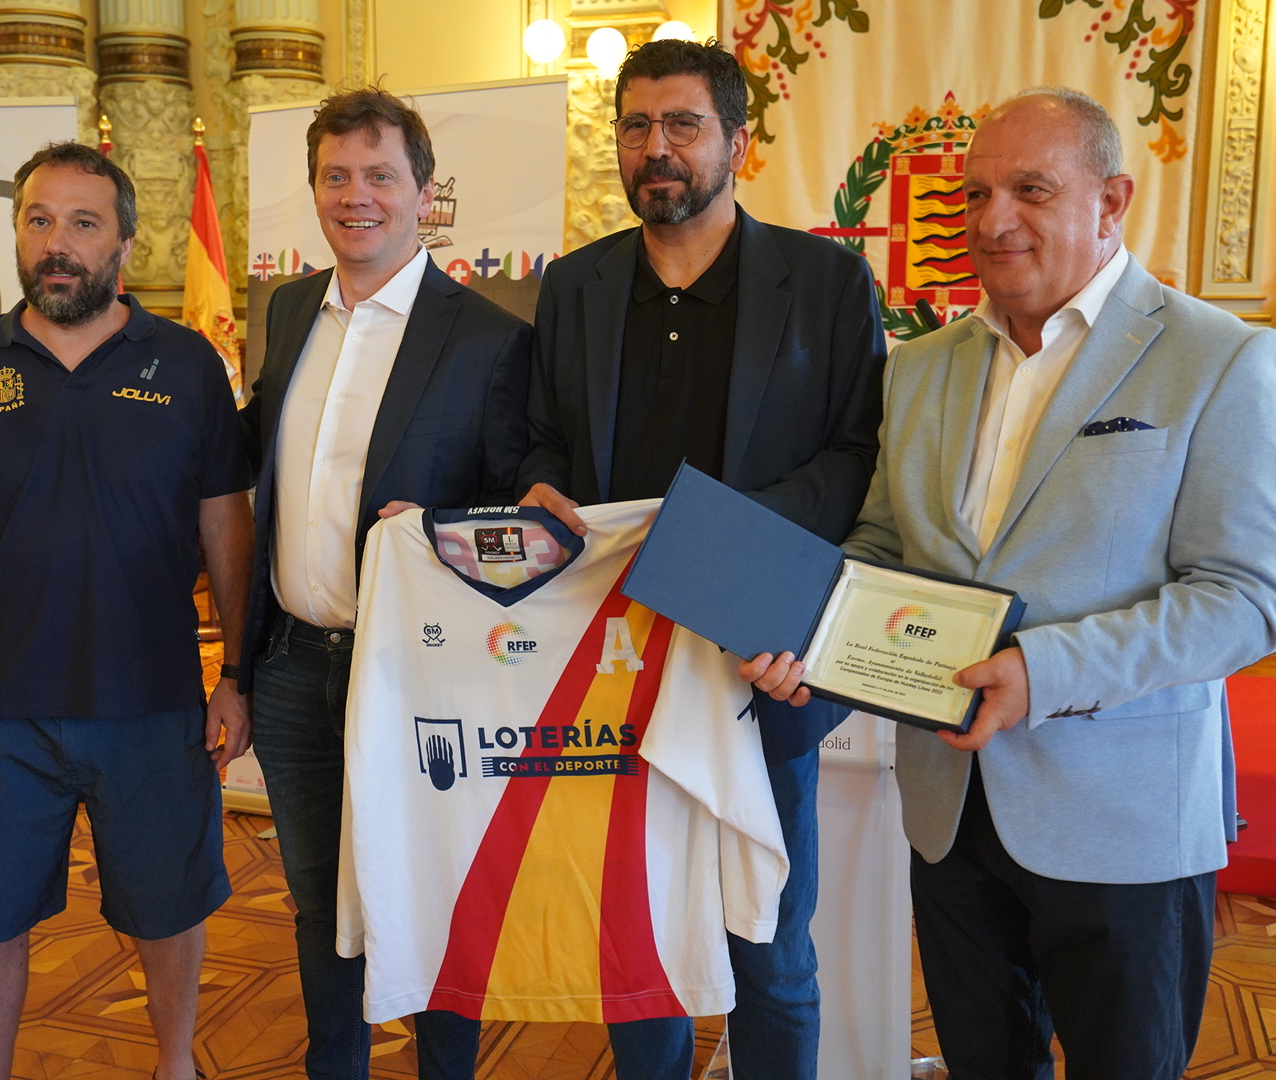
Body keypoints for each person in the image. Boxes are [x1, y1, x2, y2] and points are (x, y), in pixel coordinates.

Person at [747, 87, 1276, 1080]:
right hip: (948, 807)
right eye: (974, 195)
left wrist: (1040, 670)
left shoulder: (1220, 359)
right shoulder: (919, 367)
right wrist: (814, 634)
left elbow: (1246, 597)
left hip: (1122, 819)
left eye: (1030, 190)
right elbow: (884, 539)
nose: (992, 219)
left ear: (1111, 201)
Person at [517, 37, 886, 1080]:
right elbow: (540, 439)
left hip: (756, 655)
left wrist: (719, 544)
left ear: (737, 143)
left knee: (770, 945)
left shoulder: (825, 280)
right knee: (635, 942)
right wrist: (539, 487)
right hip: (612, 662)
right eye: (636, 127)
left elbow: (856, 455)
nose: (656, 149)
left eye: (682, 125)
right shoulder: (574, 285)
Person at [0, 141, 255, 1080]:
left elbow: (227, 527)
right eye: (39, 220)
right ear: (18, 234)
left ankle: (176, 1066)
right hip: (1, 710)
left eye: (84, 223)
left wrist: (238, 675)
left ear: (124, 242)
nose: (58, 242)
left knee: (168, 910)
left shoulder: (187, 363)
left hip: (155, 705)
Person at [238, 87, 531, 1080]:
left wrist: (443, 533)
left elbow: (521, 523)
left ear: (424, 192)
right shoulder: (288, 312)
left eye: (378, 175)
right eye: (334, 176)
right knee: (318, 901)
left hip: (416, 673)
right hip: (290, 666)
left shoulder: (489, 337)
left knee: (431, 897)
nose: (354, 196)